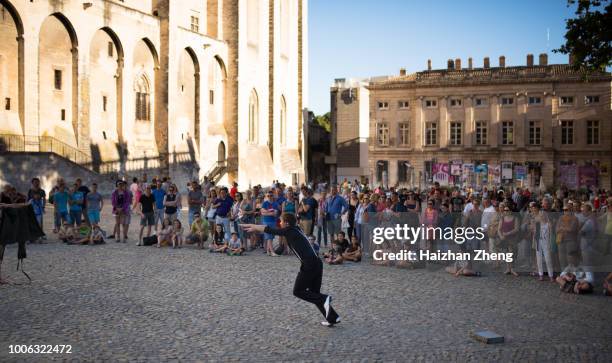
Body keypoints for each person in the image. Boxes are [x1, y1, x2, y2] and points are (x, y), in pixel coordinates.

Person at [241, 213, 341, 327]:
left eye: (281, 221)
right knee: (314, 294)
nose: (280, 223)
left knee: (298, 291)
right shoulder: (295, 228)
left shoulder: (289, 230)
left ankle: (325, 298)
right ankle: (333, 318)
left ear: (287, 223)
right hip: (317, 263)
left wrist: (253, 226)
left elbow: (269, 229)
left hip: (309, 264)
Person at [261, 190, 280, 256]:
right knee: (269, 237)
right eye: (268, 196)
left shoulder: (275, 203)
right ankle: (272, 251)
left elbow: (275, 213)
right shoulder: (265, 203)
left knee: (271, 236)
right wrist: (270, 212)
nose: (269, 197)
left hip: (273, 221)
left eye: (271, 195)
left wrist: (266, 212)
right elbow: (262, 212)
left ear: (273, 196)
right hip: (266, 221)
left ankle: (268, 251)